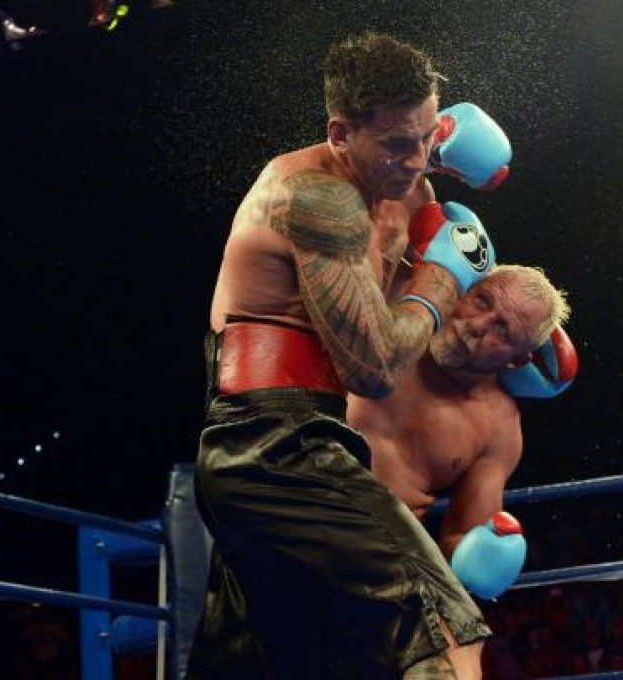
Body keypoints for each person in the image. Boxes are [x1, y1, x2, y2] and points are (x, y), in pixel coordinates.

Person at [189, 32, 512, 679]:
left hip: (298, 441)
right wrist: (442, 274)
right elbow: (377, 368)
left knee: (270, 660)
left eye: (428, 137)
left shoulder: (401, 181)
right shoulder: (317, 199)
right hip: (272, 446)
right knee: (446, 627)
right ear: (340, 134)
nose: (418, 159)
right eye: (398, 144)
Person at [348, 265, 573, 572]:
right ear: (464, 289)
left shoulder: (498, 426)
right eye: (481, 300)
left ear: (517, 361)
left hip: (375, 556)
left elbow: (461, 535)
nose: (478, 325)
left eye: (502, 330)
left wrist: (482, 557)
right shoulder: (395, 298)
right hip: (285, 492)